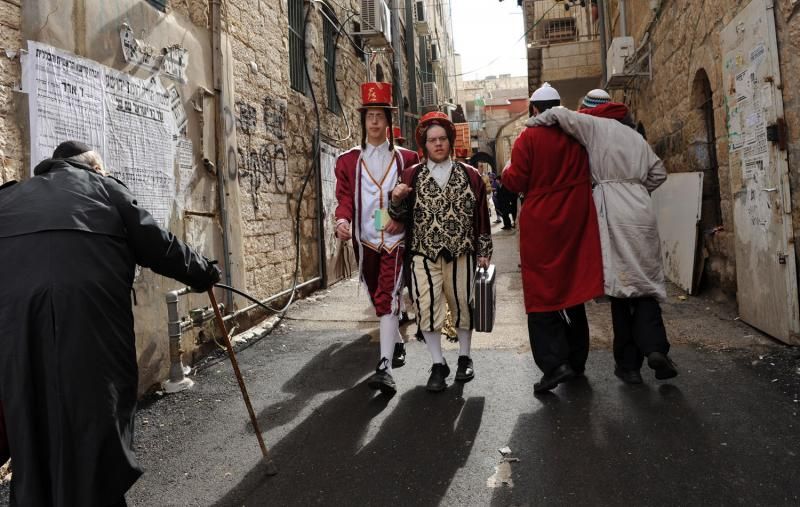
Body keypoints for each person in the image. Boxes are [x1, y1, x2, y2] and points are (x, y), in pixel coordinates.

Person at [0, 141, 221, 507]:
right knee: (95, 426)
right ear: (93, 167)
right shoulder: (106, 189)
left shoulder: (9, 198)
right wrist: (204, 273)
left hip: (17, 333)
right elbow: (160, 245)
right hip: (92, 330)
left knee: (31, 422)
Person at [531, 94, 678, 384]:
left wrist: (534, 121)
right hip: (640, 209)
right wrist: (636, 189)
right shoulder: (634, 136)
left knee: (622, 289)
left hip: (611, 209)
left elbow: (560, 114)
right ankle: (654, 348)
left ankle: (630, 366)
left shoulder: (595, 126)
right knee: (644, 283)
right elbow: (659, 172)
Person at [503, 83, 605, 394]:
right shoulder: (578, 133)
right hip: (576, 216)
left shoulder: (527, 138)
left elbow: (515, 179)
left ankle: (554, 364)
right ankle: (576, 362)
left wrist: (508, 169)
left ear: (534, 109)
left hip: (541, 223)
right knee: (573, 291)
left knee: (542, 294)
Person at [389, 111, 492, 392]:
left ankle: (464, 358)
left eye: (442, 139)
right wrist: (395, 199)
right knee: (427, 309)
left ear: (449, 141)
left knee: (463, 305)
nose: (437, 144)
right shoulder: (411, 174)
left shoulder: (470, 175)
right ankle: (437, 364)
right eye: (432, 140)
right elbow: (395, 216)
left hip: (462, 252)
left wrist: (484, 250)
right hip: (423, 254)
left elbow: (481, 216)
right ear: (424, 144)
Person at [334, 82, 420, 395]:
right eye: (369, 115)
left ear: (387, 121)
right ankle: (395, 340)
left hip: (395, 240)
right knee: (376, 296)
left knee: (388, 295)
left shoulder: (407, 159)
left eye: (379, 115)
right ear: (363, 121)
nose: (374, 121)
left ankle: (384, 367)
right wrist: (342, 220)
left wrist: (402, 216)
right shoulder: (347, 161)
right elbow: (344, 198)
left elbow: (417, 200)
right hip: (366, 238)